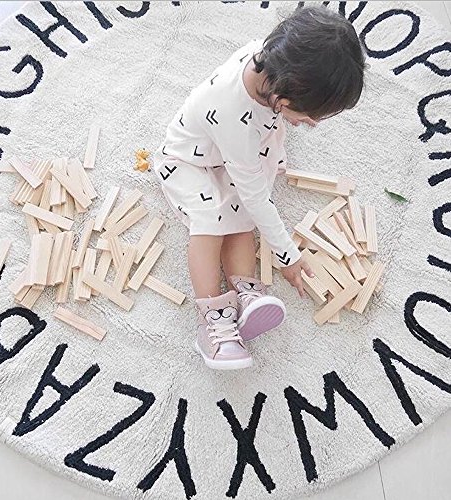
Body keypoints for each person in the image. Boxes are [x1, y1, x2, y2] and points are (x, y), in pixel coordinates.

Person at [152, 6, 366, 370]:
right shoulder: (231, 114)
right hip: (188, 161)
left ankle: (246, 292)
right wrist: (288, 255)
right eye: (307, 117)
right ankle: (213, 318)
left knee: (240, 215)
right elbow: (257, 197)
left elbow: (248, 195)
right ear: (283, 100)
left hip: (231, 155)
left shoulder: (269, 57)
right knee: (212, 219)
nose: (309, 123)